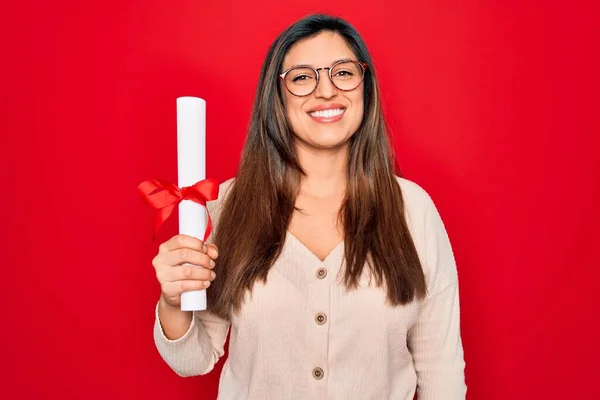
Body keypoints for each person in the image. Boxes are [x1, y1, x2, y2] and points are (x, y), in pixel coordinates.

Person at [151, 13, 466, 400]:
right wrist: (174, 300)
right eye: (302, 77)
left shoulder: (413, 211)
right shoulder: (225, 207)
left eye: (343, 73)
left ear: (365, 86)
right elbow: (193, 359)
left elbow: (441, 371)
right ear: (277, 97)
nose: (326, 91)